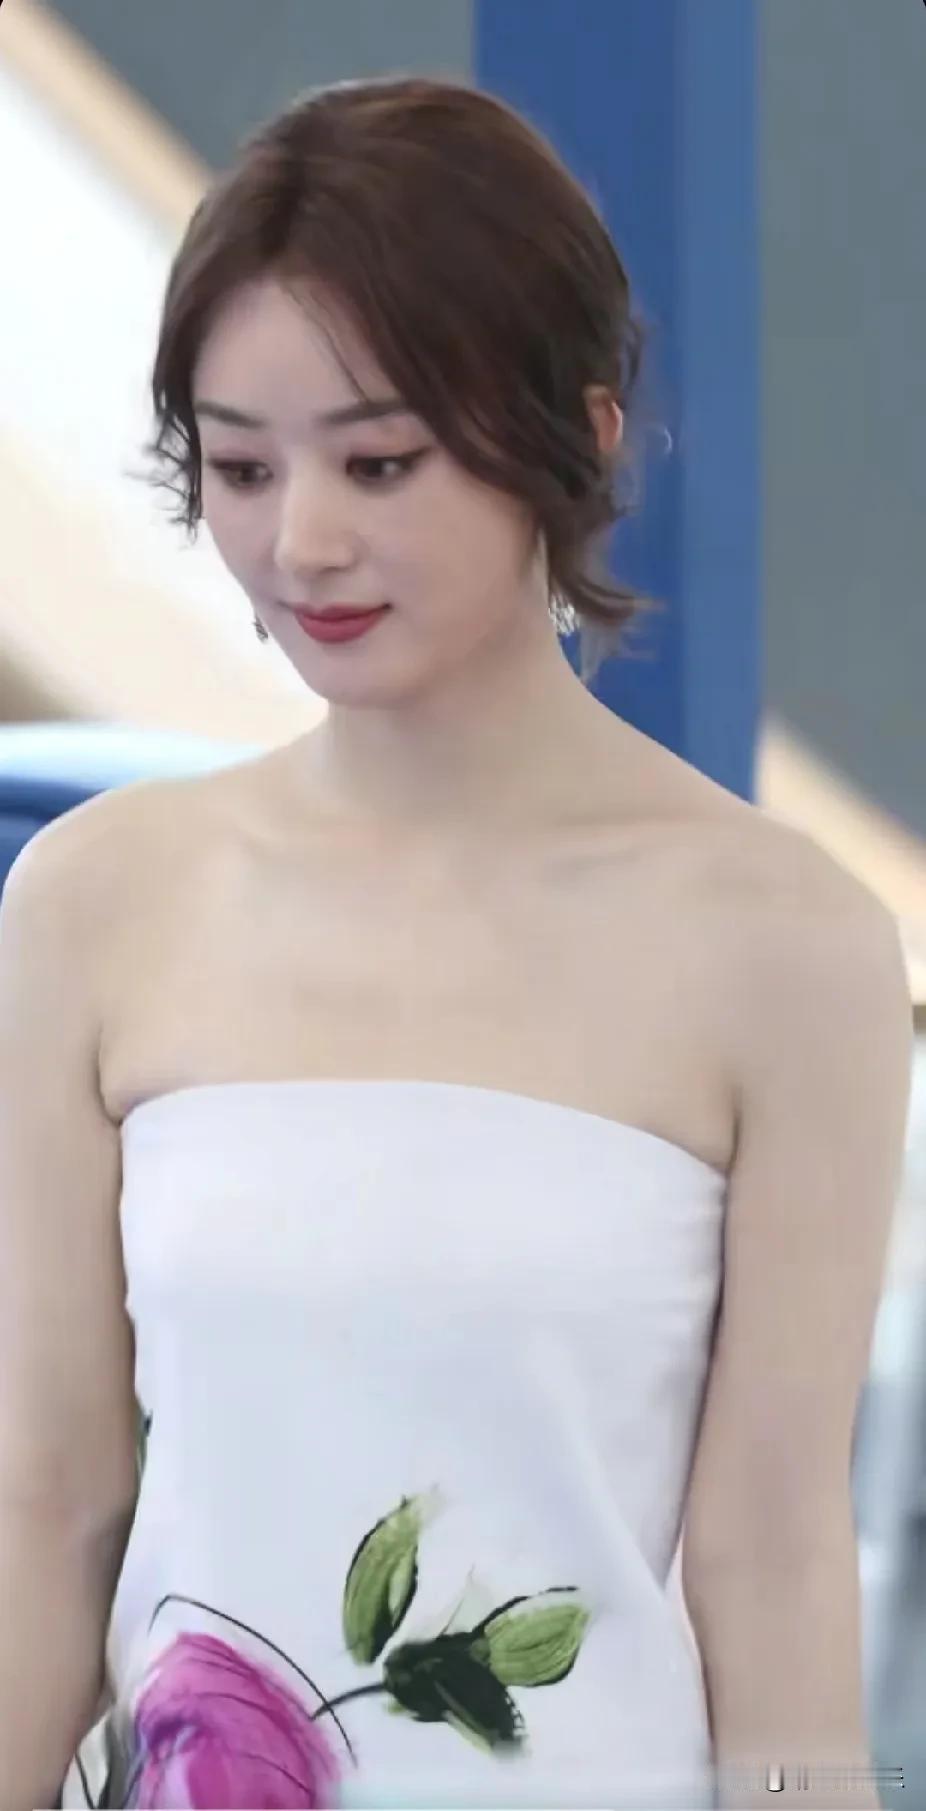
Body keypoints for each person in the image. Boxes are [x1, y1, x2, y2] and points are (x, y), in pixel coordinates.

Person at [0, 75, 913, 1811]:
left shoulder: (788, 946)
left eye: (379, 461)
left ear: (579, 434)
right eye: (240, 466)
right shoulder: (98, 900)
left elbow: (772, 1556)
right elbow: (46, 1507)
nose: (300, 541)